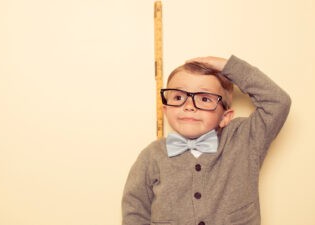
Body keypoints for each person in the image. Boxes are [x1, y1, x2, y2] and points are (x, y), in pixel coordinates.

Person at [121, 55, 291, 225]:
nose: (189, 106)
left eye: (204, 99)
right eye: (179, 98)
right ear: (166, 110)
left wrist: (228, 67)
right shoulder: (151, 156)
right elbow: (135, 211)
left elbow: (278, 102)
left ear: (225, 116)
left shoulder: (245, 139)